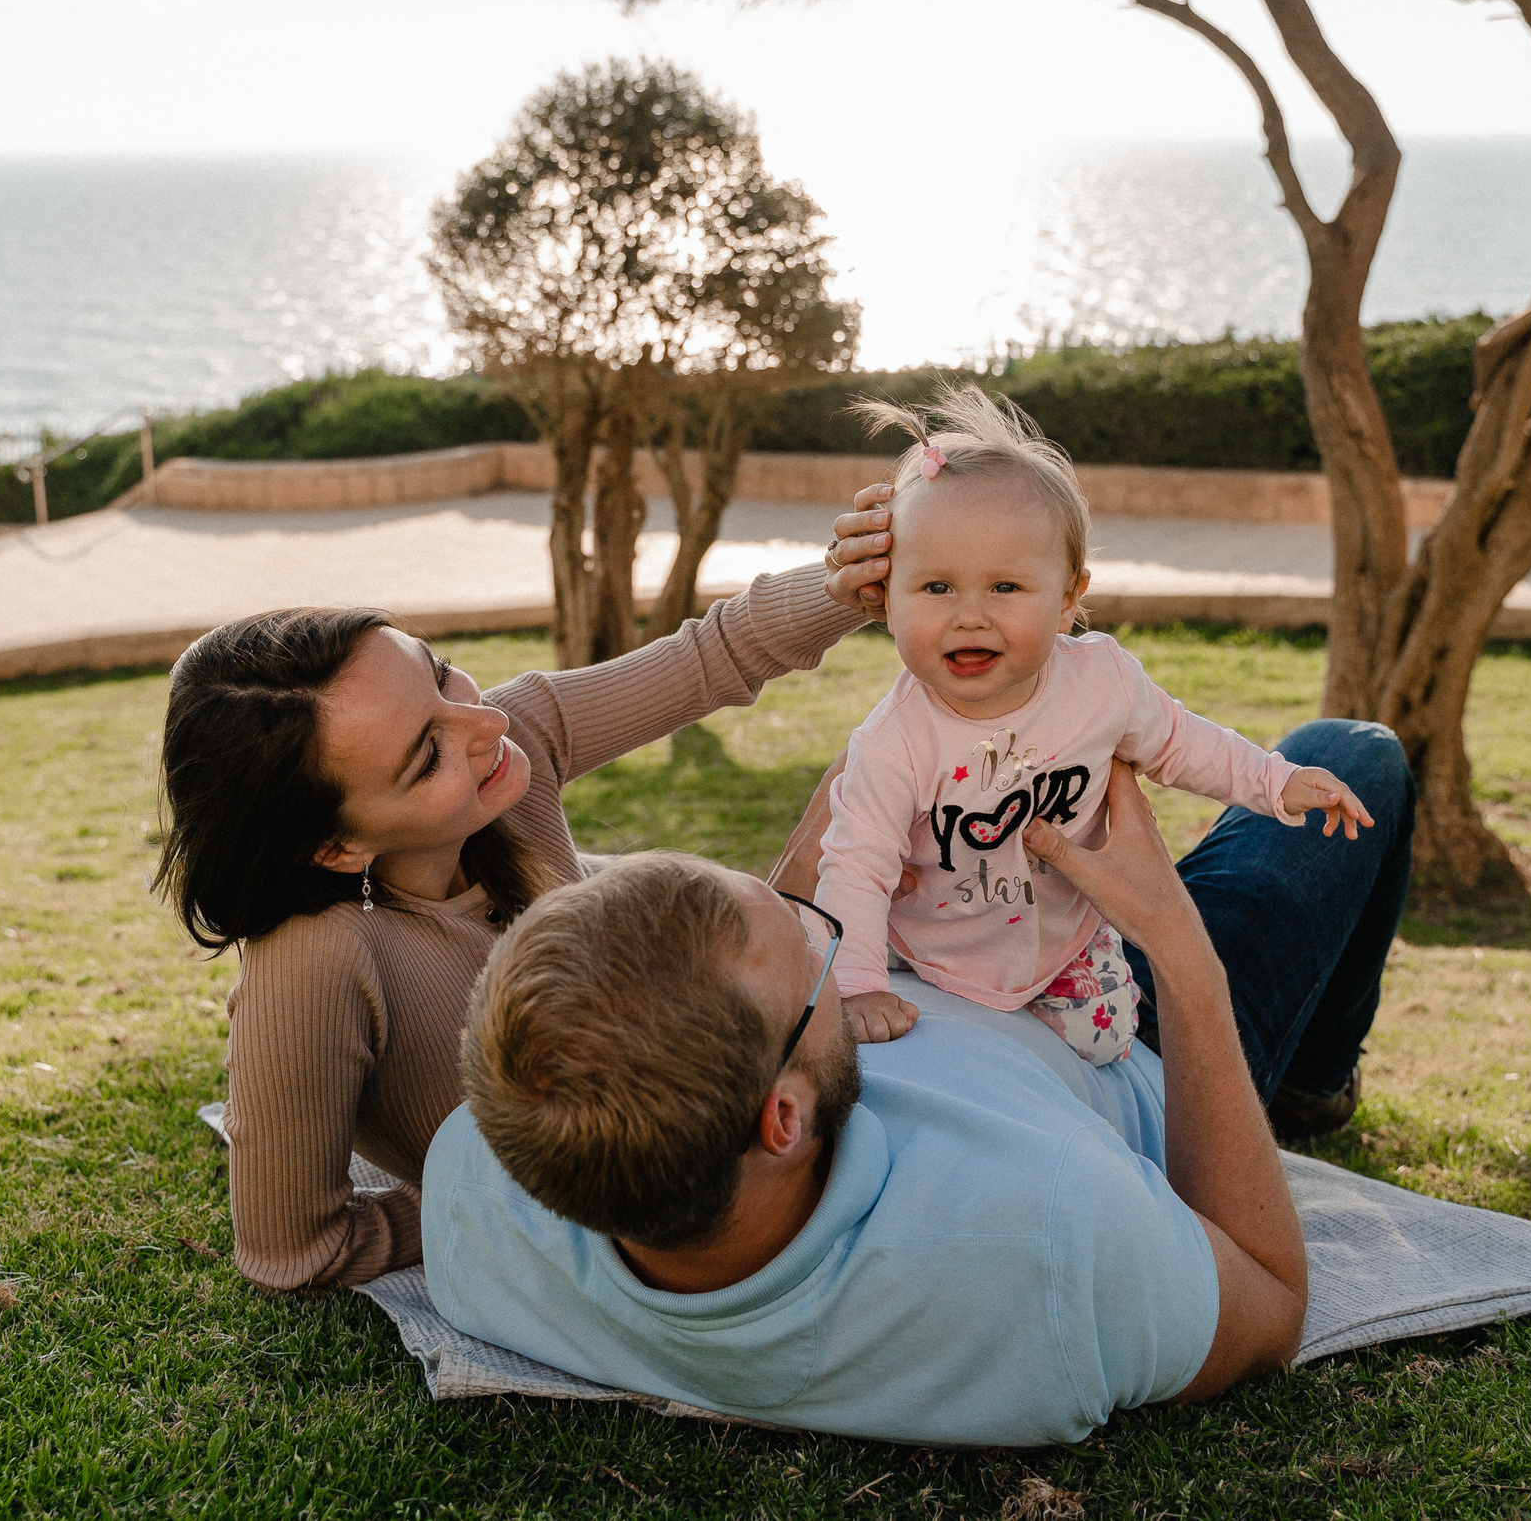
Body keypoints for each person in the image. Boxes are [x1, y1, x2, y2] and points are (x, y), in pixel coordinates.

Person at [425, 752, 1408, 1445]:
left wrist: (811, 878)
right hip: (1121, 1032)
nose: (835, 949)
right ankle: (1311, 1084)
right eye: (818, 960)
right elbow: (1273, 1304)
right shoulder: (1054, 1237)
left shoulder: (481, 1163)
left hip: (948, 968)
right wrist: (1177, 944)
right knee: (1350, 761)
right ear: (782, 1120)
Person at [157, 541, 885, 1293]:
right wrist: (486, 1193)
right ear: (336, 845)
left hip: (697, 1016)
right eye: (427, 755)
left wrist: (855, 579)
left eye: (439, 672)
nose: (483, 720)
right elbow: (293, 1253)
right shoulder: (313, 962)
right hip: (685, 1160)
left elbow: (712, 654)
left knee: (878, 789)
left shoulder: (505, 744)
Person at [813, 384, 1373, 1068]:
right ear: (886, 600)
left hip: (1068, 941)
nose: (970, 614)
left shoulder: (1100, 682)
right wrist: (859, 987)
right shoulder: (894, 739)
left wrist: (1276, 780)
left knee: (1107, 1042)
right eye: (936, 588)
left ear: (1069, 598)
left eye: (1006, 587)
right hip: (926, 950)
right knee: (913, 1044)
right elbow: (857, 868)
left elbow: (1183, 743)